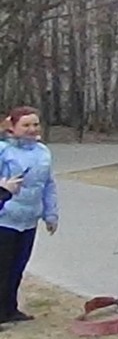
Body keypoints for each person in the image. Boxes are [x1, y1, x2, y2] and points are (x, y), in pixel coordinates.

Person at [0, 107, 59, 323]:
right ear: (13, 128)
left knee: (18, 267)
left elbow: (48, 185)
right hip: (4, 219)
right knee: (2, 269)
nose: (32, 129)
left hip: (29, 220)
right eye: (26, 125)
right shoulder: (3, 150)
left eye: (35, 124)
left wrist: (50, 214)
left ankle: (10, 309)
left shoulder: (43, 152)